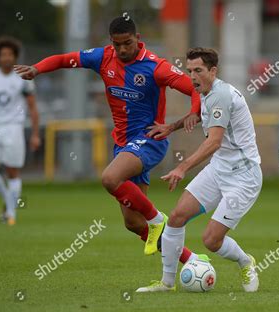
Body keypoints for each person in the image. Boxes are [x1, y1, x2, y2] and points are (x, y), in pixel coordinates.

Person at [14, 16, 207, 263]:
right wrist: (37, 68)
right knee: (133, 223)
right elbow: (64, 59)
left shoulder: (155, 66)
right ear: (111, 42)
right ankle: (192, 261)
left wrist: (192, 113)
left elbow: (194, 87)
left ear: (138, 39)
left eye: (127, 43)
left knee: (109, 178)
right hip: (124, 146)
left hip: (149, 140)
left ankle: (158, 219)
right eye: (117, 45)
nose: (122, 49)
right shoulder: (102, 57)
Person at [136, 48, 262, 293]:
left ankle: (246, 262)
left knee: (211, 241)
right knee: (176, 218)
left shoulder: (221, 95)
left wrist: (182, 168)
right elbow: (199, 116)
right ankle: (167, 283)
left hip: (243, 176)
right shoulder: (206, 92)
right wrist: (172, 127)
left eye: (198, 71)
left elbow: (214, 142)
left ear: (213, 71)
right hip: (219, 169)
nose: (192, 76)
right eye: (189, 70)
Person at [0, 37, 40, 226]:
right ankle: (8, 201)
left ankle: (11, 214)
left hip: (14, 127)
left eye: (10, 54)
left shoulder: (23, 77)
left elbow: (32, 108)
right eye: (3, 54)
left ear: (14, 57)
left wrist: (36, 134)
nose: (6, 58)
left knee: (12, 171)